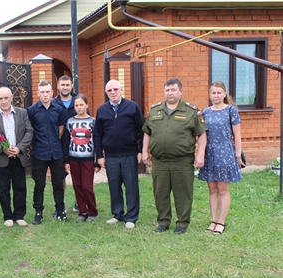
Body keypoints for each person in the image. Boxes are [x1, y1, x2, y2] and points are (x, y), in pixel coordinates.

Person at [142, 78, 207, 234]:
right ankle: (163, 221)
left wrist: (200, 154)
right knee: (160, 192)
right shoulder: (155, 110)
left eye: (173, 90)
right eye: (167, 90)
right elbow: (147, 132)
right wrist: (145, 151)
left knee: (183, 193)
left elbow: (202, 134)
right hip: (159, 161)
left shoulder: (191, 111)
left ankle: (182, 223)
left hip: (182, 161)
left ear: (180, 91)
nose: (170, 93)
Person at [94, 80, 144, 229]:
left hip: (129, 153)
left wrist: (141, 150)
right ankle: (118, 214)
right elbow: (98, 134)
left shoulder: (132, 107)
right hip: (111, 155)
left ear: (121, 90)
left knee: (131, 186)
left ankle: (131, 217)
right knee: (114, 186)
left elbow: (142, 130)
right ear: (106, 92)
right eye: (109, 90)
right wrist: (100, 156)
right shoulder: (102, 110)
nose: (113, 92)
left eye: (115, 89)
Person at [0, 87, 33, 227]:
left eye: (6, 98)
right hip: (1, 159)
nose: (3, 101)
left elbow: (29, 131)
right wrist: (2, 149)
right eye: (0, 98)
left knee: (20, 187)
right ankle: (8, 216)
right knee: (3, 188)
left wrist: (19, 148)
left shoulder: (22, 113)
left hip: (18, 157)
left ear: (11, 98)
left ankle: (19, 215)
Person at [198, 81, 243, 235]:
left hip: (225, 151)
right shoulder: (205, 112)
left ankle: (221, 222)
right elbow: (202, 134)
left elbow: (237, 135)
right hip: (209, 152)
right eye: (213, 93)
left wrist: (238, 155)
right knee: (212, 188)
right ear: (210, 95)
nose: (216, 96)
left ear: (224, 94)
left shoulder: (231, 111)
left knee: (222, 189)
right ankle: (213, 219)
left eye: (219, 93)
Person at [28, 79, 68, 224]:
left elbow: (61, 129)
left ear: (52, 93)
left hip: (56, 153)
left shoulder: (59, 110)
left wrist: (54, 142)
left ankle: (60, 211)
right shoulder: (31, 110)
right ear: (38, 93)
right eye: (42, 92)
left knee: (58, 184)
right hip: (39, 152)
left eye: (47, 92)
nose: (45, 95)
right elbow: (30, 131)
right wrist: (37, 146)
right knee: (39, 184)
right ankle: (38, 212)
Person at [53, 75, 89, 214]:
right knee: (59, 178)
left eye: (68, 85)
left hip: (79, 147)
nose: (65, 87)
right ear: (58, 86)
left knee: (79, 179)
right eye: (63, 85)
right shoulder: (53, 103)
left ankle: (79, 203)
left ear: (72, 86)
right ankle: (60, 206)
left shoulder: (78, 101)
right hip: (59, 147)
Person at [62, 94, 100, 222]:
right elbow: (67, 141)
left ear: (87, 105)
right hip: (73, 158)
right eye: (76, 105)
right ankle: (82, 211)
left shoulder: (93, 121)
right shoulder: (70, 121)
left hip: (88, 159)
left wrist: (97, 161)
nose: (79, 107)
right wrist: (66, 160)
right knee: (77, 185)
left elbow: (97, 142)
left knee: (87, 186)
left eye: (81, 105)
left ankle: (93, 211)